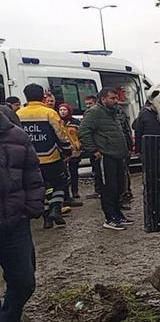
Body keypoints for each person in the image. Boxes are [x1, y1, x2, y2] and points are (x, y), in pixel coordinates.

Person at [0, 106, 43, 322]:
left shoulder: (16, 135)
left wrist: (33, 207)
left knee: (25, 281)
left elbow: (32, 173)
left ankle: (9, 321)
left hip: (15, 224)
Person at [16, 84, 71, 228]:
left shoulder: (18, 114)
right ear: (42, 97)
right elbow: (61, 134)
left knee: (43, 187)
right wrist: (67, 150)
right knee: (59, 183)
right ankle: (55, 208)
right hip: (51, 157)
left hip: (29, 159)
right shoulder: (49, 113)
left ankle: (47, 218)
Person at [79, 88, 132, 230]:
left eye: (116, 98)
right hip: (106, 156)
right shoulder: (94, 112)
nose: (116, 101)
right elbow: (83, 132)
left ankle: (118, 214)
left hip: (118, 156)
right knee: (109, 188)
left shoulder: (113, 112)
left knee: (119, 187)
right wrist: (94, 150)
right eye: (112, 98)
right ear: (103, 99)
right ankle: (110, 218)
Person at [58, 103, 84, 202]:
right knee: (63, 174)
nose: (62, 112)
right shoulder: (57, 121)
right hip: (62, 151)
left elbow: (81, 134)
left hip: (74, 151)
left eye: (64, 110)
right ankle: (66, 194)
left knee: (74, 173)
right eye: (61, 110)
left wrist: (79, 145)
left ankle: (75, 191)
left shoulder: (75, 122)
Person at [82, 95, 102, 200]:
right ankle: (98, 190)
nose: (88, 106)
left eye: (90, 103)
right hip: (93, 148)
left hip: (99, 147)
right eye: (86, 104)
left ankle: (100, 190)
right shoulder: (88, 114)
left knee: (100, 171)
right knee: (96, 170)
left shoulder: (96, 114)